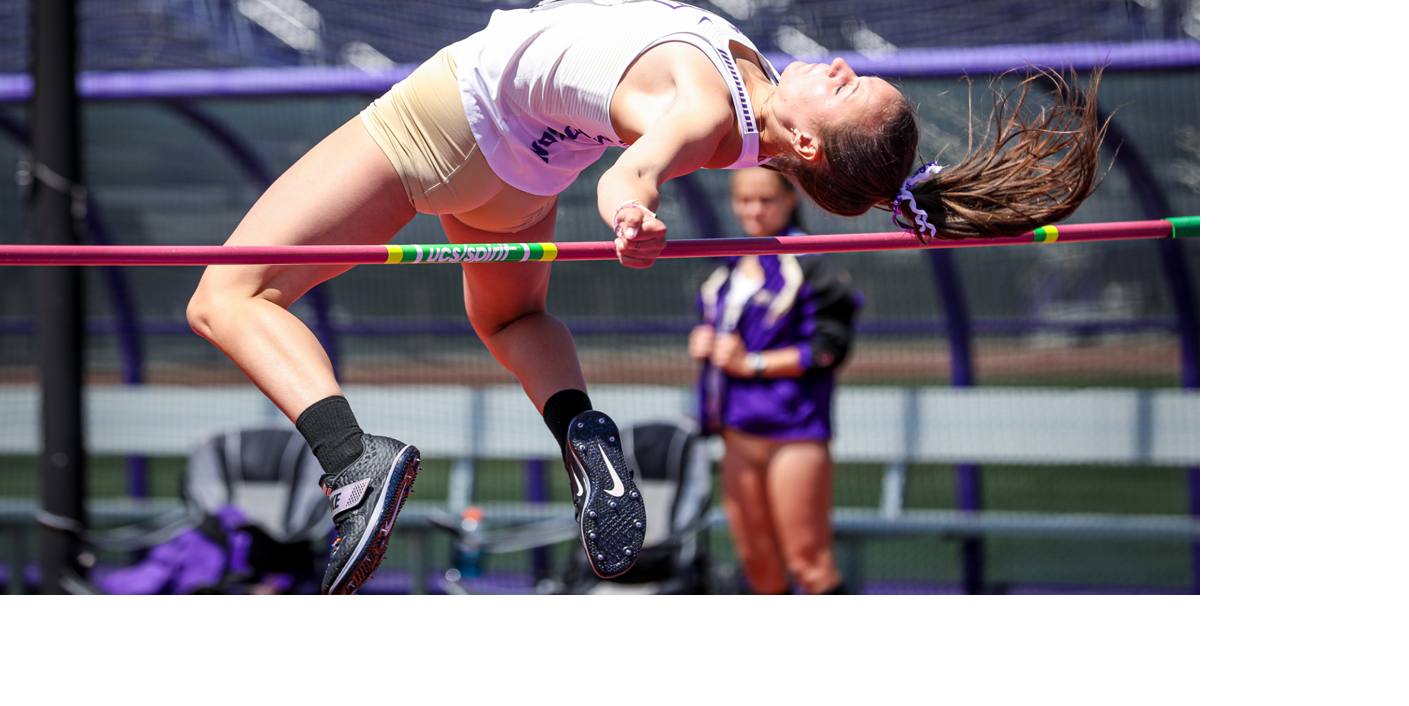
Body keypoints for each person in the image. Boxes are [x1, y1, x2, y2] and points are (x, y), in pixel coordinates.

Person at [184, 0, 1106, 594]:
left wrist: (632, 210)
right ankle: (584, 432)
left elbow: (639, 168)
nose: (837, 67)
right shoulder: (750, 87)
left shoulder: (711, 109)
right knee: (510, 317)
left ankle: (352, 459)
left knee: (230, 297)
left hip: (456, 120)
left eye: (850, 87)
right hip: (521, 167)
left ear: (812, 151)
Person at [690, 168, 858, 595]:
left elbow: (828, 350)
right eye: (745, 200)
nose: (755, 210)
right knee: (759, 568)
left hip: (794, 432)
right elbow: (720, 333)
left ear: (791, 199)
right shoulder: (726, 271)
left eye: (766, 200)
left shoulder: (811, 263)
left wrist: (754, 363)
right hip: (736, 432)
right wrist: (704, 340)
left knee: (809, 563)